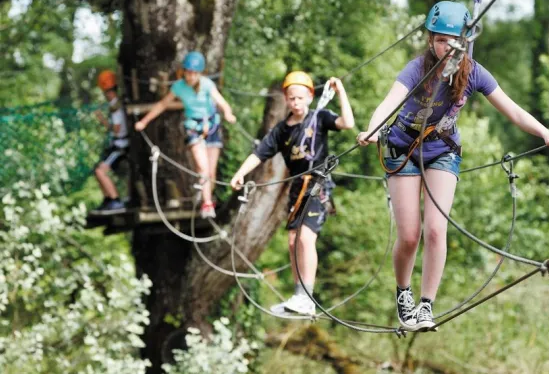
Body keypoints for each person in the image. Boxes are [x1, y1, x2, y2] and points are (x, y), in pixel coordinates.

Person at [357, 1, 549, 331]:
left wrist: (545, 132)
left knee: (436, 229)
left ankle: (427, 305)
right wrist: (371, 128)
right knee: (410, 236)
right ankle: (404, 294)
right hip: (403, 149)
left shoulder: (475, 73)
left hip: (442, 150)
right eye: (440, 39)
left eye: (453, 41)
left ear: (465, 42)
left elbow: (512, 110)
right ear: (430, 40)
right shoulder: (417, 69)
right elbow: (390, 101)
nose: (446, 47)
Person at [230, 72, 355, 315]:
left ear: (310, 96)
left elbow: (347, 123)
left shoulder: (319, 117)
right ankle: (299, 296)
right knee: (292, 242)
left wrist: (341, 92)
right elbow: (259, 153)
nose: (296, 102)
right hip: (297, 189)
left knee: (306, 239)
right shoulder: (281, 131)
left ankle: (306, 298)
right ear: (286, 100)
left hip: (318, 186)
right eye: (291, 98)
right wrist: (240, 173)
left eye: (300, 97)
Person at [134, 51, 236, 218]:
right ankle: (207, 204)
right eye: (188, 72)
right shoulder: (179, 87)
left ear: (200, 73)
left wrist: (228, 113)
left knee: (211, 173)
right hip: (193, 127)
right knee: (201, 167)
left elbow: (221, 102)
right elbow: (162, 105)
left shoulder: (207, 84)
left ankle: (205, 195)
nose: (190, 76)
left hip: (212, 127)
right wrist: (144, 121)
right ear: (184, 72)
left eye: (194, 73)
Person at [93, 70, 129, 214]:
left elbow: (116, 130)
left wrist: (102, 120)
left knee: (100, 171)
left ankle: (115, 200)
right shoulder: (117, 104)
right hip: (118, 144)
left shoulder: (116, 108)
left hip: (121, 145)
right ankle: (108, 199)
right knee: (97, 170)